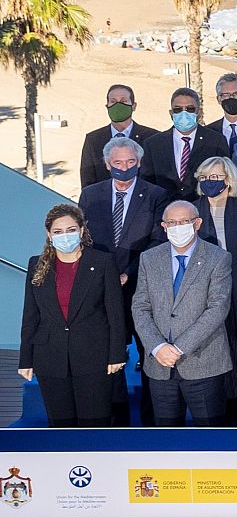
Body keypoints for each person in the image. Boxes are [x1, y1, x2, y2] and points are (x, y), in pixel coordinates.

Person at [79, 137, 170, 424]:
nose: (124, 168)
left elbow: (158, 239)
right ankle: (114, 421)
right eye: (118, 163)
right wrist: (105, 273)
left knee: (149, 353)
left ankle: (152, 421)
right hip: (102, 287)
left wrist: (129, 271)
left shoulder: (156, 195)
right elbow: (85, 239)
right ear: (107, 164)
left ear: (139, 163)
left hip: (142, 286)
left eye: (130, 162)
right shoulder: (91, 195)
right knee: (109, 353)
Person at [18, 204, 126, 427]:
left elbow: (115, 314)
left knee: (95, 425)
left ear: (82, 230)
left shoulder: (102, 262)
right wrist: (25, 359)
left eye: (71, 229)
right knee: (60, 426)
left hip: (94, 357)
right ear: (49, 234)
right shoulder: (36, 265)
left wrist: (116, 354)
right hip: (50, 358)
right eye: (58, 231)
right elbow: (30, 316)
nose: (65, 236)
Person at [130, 201, 234, 426]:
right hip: (160, 366)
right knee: (166, 440)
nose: (178, 227)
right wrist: (158, 347)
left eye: (184, 222)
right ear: (163, 226)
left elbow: (217, 309)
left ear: (197, 224)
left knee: (211, 437)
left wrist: (178, 349)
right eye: (172, 223)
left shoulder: (218, 258)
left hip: (204, 363)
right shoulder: (149, 258)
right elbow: (140, 307)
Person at [193, 156, 237, 425]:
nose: (211, 182)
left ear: (229, 179)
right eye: (206, 178)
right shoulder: (193, 209)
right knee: (212, 343)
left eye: (217, 177)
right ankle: (216, 401)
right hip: (205, 288)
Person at [139, 87, 232, 201]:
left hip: (204, 209)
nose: (184, 113)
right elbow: (147, 183)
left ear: (199, 112)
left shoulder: (216, 140)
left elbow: (225, 178)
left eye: (190, 109)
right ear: (171, 113)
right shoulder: (153, 144)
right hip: (165, 211)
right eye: (178, 109)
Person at [80, 84, 157, 189]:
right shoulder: (93, 140)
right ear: (107, 106)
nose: (118, 105)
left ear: (134, 106)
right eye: (113, 101)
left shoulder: (152, 138)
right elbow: (88, 181)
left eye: (123, 101)